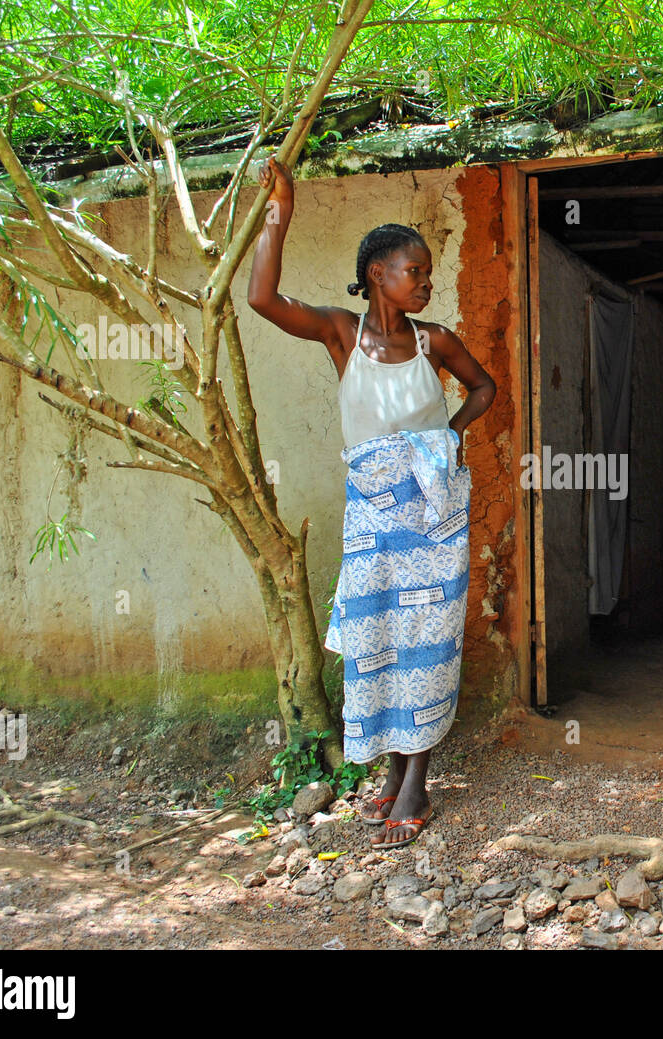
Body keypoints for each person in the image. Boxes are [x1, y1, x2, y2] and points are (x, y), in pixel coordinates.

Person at [248, 157, 496, 848]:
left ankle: (416, 782)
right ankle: (391, 775)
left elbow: (485, 389)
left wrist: (442, 439)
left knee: (427, 641)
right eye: (414, 271)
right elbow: (261, 298)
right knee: (380, 642)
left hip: (432, 518)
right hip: (372, 524)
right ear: (378, 274)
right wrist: (281, 208)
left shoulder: (434, 341)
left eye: (426, 272)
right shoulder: (340, 333)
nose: (426, 280)